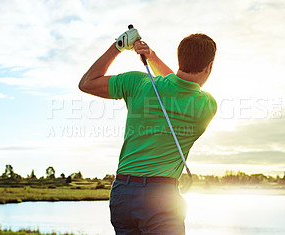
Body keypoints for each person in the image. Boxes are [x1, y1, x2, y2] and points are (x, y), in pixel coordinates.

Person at [79, 27, 217, 235]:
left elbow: (87, 83)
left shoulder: (138, 83)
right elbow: (176, 84)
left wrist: (119, 46)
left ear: (180, 58)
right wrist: (153, 58)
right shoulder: (207, 105)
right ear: (209, 66)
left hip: (123, 191)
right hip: (161, 196)